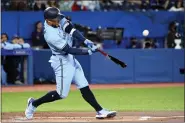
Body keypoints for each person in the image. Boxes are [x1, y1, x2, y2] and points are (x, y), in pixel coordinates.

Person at [25, 7, 116, 119]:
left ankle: (100, 111)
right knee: (61, 94)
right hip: (61, 61)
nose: (59, 20)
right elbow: (69, 49)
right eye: (56, 19)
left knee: (84, 86)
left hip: (70, 58)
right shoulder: (50, 35)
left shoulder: (57, 17)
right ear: (49, 21)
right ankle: (33, 104)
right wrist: (88, 51)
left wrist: (84, 40)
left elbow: (70, 29)